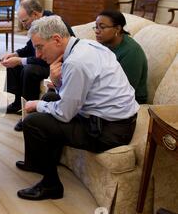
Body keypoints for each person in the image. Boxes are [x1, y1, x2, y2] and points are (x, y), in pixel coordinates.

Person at [16, 16, 139, 200]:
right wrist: (57, 83)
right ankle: (37, 162)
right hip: (111, 119)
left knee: (33, 122)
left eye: (39, 47)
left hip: (108, 131)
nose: (38, 55)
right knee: (50, 96)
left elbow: (64, 114)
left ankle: (51, 186)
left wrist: (37, 104)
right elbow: (73, 95)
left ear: (57, 39)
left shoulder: (76, 62)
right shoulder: (85, 46)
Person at [0, 0, 74, 131]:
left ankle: (29, 114)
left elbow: (44, 56)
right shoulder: (38, 24)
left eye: (24, 21)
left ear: (34, 14)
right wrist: (15, 54)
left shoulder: (52, 23)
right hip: (46, 60)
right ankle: (18, 103)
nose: (23, 25)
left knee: (29, 70)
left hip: (57, 63)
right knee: (14, 64)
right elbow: (30, 48)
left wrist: (20, 60)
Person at [94, 11, 148, 104]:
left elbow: (124, 90)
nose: (97, 31)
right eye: (96, 27)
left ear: (118, 28)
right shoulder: (105, 43)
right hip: (107, 92)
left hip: (131, 100)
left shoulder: (131, 52)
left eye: (102, 27)